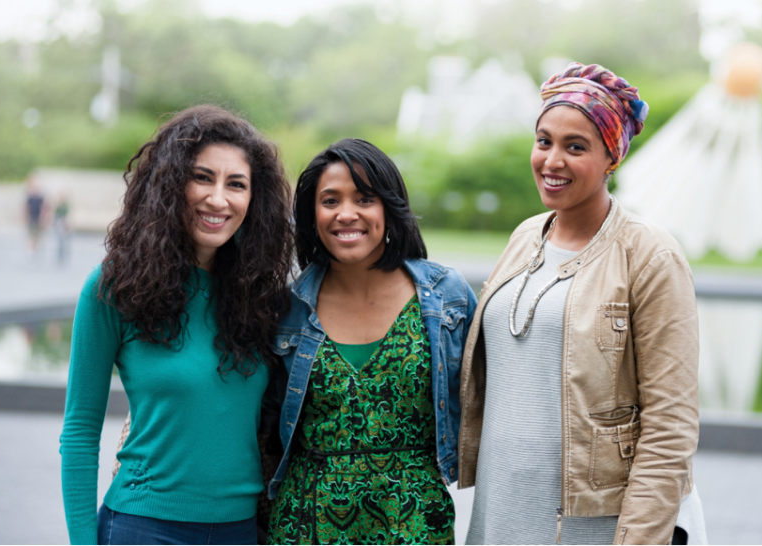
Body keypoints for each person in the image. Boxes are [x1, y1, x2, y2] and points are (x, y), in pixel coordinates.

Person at [458, 63, 707, 546]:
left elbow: (670, 425)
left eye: (576, 147)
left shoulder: (650, 253)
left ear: (612, 157)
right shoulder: (527, 234)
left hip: (592, 525)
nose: (552, 160)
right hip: (503, 510)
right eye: (544, 141)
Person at [60, 105, 293, 546]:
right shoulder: (114, 287)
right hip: (143, 527)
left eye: (236, 184)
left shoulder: (261, 296)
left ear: (253, 200)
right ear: (170, 184)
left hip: (239, 532)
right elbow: (80, 430)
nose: (218, 199)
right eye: (202, 177)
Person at [266, 139, 476, 545]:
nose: (347, 214)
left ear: (389, 208)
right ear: (313, 214)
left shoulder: (446, 295)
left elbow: (491, 397)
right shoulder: (286, 309)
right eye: (330, 200)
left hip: (415, 522)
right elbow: (260, 425)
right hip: (306, 523)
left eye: (365, 198)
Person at [26, 175, 45, 254]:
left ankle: (36, 248)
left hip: (38, 217)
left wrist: (42, 217)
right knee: (31, 234)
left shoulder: (40, 198)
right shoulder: (30, 198)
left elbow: (43, 208)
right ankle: (31, 248)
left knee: (37, 234)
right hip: (31, 217)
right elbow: (27, 208)